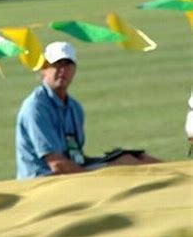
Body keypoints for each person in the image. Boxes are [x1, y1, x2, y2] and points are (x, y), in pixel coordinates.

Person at [15, 41, 160, 178]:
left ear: (74, 69)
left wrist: (113, 159)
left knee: (139, 159)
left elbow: (76, 157)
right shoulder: (36, 107)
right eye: (56, 64)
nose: (62, 70)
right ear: (43, 69)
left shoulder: (74, 107)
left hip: (68, 174)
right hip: (43, 180)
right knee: (127, 164)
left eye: (68, 64)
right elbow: (57, 164)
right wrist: (95, 179)